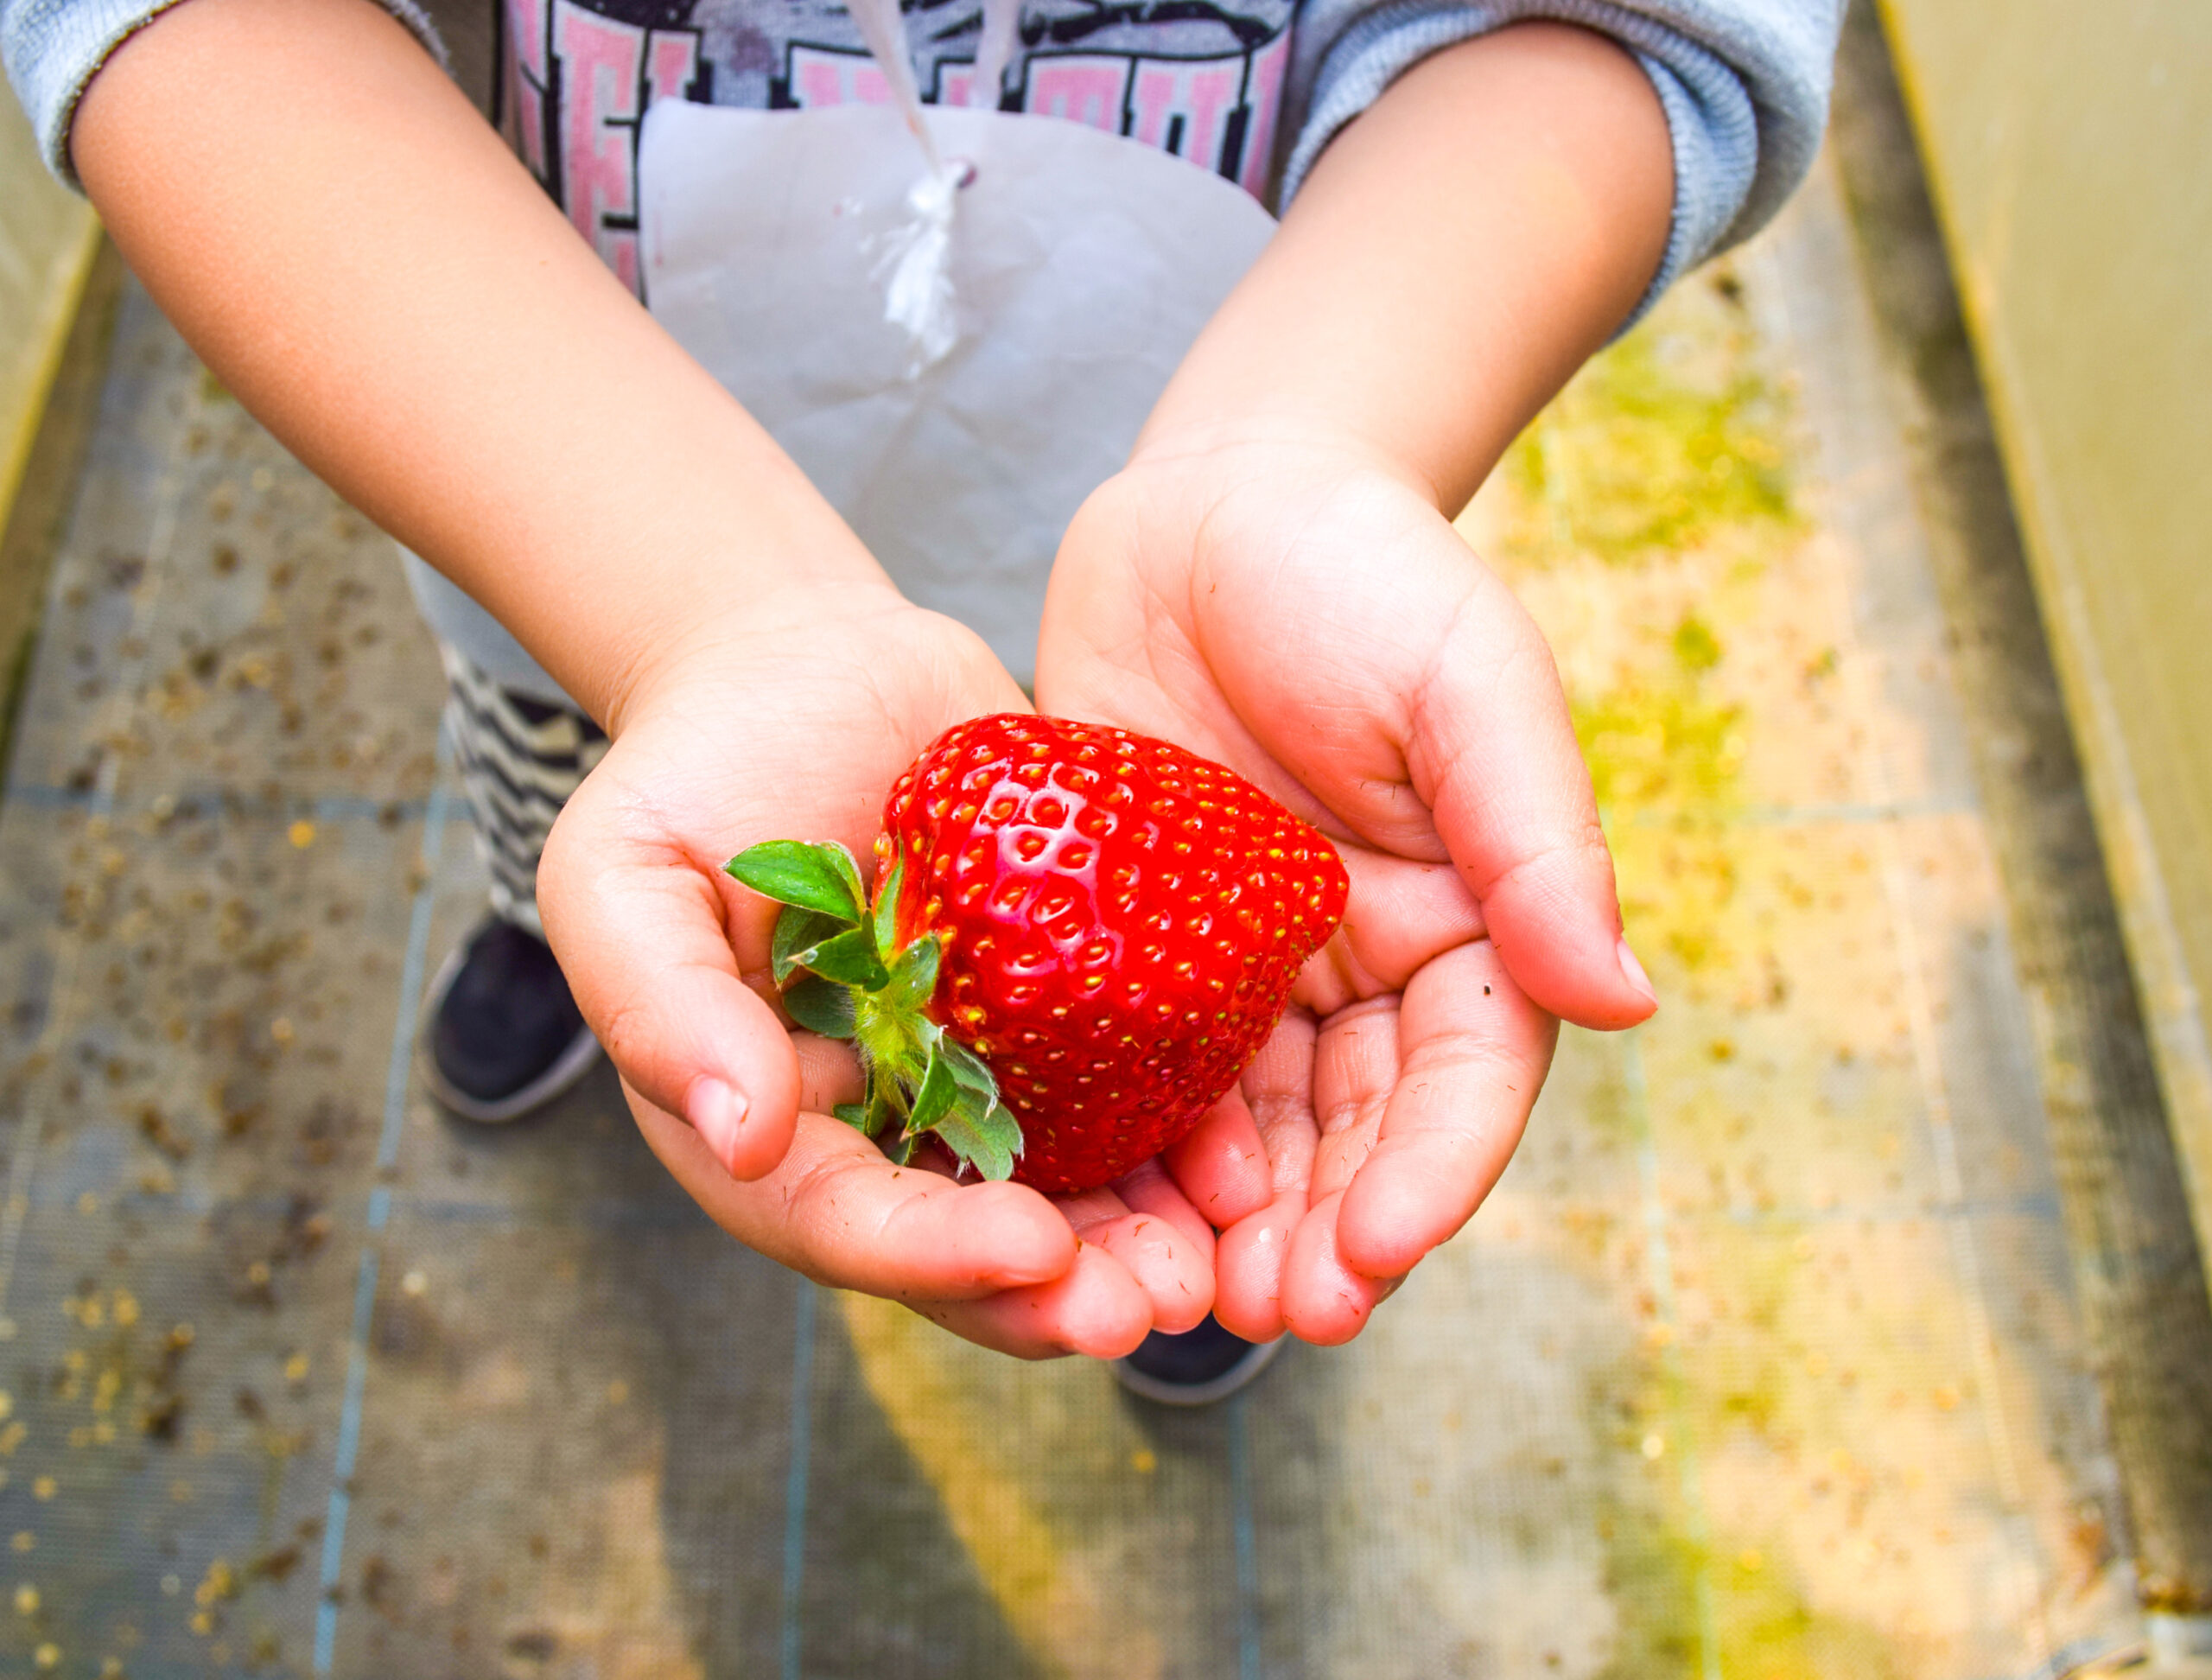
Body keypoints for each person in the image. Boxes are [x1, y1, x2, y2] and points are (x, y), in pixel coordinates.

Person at [3, 0, 1840, 1399]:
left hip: (1212, 538)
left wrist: (1301, 451)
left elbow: (1620, 28)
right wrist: (698, 623)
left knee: (853, 982)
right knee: (574, 813)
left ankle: (1163, 1226)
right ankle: (539, 932)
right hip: (566, 509)